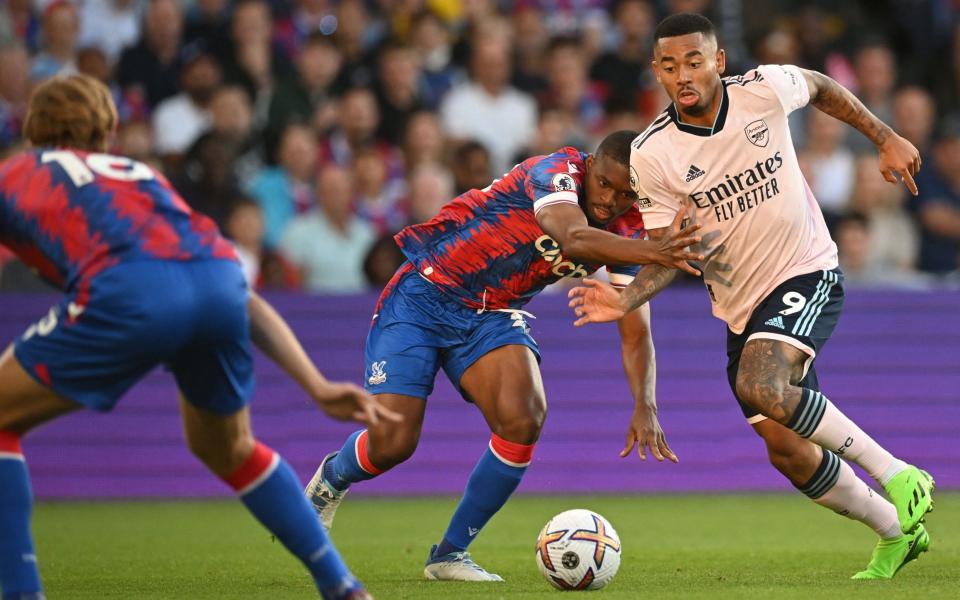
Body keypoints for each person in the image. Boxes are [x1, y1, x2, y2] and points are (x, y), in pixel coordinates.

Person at [0, 74, 400, 600]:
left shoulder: (20, 172)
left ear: (33, 129)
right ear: (107, 128)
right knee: (227, 447)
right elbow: (234, 286)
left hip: (131, 292)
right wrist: (316, 384)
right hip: (218, 284)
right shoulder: (138, 174)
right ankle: (342, 586)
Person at [566, 13, 934, 581]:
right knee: (787, 451)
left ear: (716, 61)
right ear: (656, 73)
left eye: (693, 61)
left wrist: (885, 136)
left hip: (805, 269)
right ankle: (895, 532)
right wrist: (625, 300)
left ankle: (898, 473)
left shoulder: (762, 89)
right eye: (669, 66)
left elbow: (822, 86)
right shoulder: (652, 153)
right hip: (741, 306)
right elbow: (670, 254)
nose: (682, 74)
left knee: (761, 383)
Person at [304, 130, 703, 582]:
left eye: (628, 192)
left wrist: (644, 403)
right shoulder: (556, 171)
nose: (612, 199)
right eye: (607, 184)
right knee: (394, 443)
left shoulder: (628, 226)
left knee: (525, 416)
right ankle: (332, 478)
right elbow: (571, 236)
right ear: (592, 166)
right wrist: (656, 251)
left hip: (490, 311)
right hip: (423, 296)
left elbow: (633, 324)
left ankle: (449, 554)